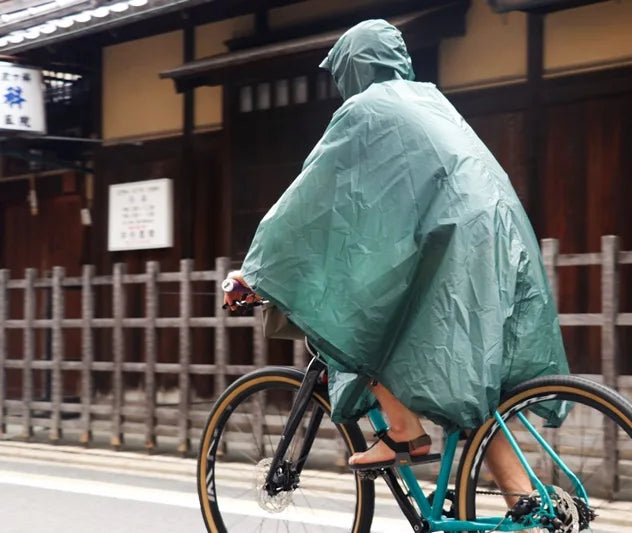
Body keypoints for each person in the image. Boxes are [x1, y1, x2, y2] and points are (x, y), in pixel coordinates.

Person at [224, 19, 569, 509]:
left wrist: (254, 270)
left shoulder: (366, 109)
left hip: (455, 242)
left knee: (367, 321)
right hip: (501, 231)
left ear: (351, 70)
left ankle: (404, 432)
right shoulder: (431, 100)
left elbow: (312, 199)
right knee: (470, 384)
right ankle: (527, 501)